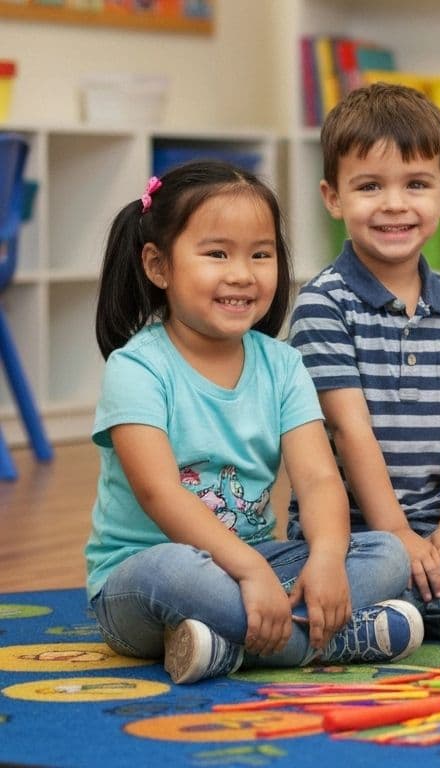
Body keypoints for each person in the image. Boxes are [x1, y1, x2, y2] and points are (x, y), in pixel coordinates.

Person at [85, 161, 422, 685]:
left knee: (386, 552)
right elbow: (160, 494)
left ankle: (228, 647)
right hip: (146, 582)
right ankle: (326, 640)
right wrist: (248, 571)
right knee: (171, 569)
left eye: (260, 255)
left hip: (260, 564)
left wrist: (329, 560)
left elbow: (317, 480)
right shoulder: (137, 368)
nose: (243, 274)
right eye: (217, 253)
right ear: (158, 265)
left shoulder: (282, 364)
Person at [287, 82, 440, 642]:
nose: (393, 204)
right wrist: (395, 532)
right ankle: (323, 611)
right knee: (385, 566)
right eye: (368, 186)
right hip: (352, 534)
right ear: (333, 197)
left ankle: (362, 621)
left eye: (416, 184)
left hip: (438, 526)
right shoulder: (323, 302)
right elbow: (347, 427)